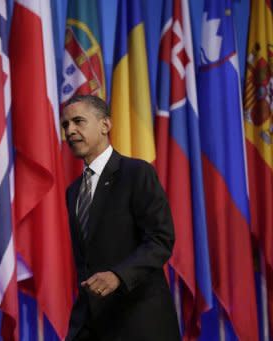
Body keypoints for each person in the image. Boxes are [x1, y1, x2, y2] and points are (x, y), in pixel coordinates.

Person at [61, 95, 180, 341]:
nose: (70, 130)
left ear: (105, 125)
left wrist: (118, 276)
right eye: (65, 125)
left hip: (138, 321)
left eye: (78, 121)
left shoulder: (136, 173)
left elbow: (161, 239)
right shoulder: (73, 191)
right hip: (90, 323)